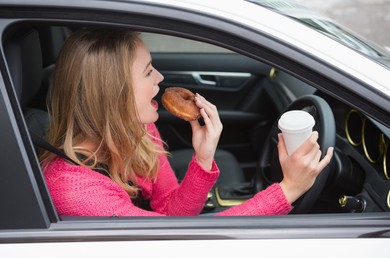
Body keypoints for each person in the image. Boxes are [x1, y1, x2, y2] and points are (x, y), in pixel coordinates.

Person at [41, 28, 333, 216]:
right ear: (112, 94)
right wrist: (289, 189)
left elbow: (172, 213)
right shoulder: (75, 191)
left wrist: (203, 158)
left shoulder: (139, 129)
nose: (160, 78)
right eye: (147, 72)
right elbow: (179, 241)